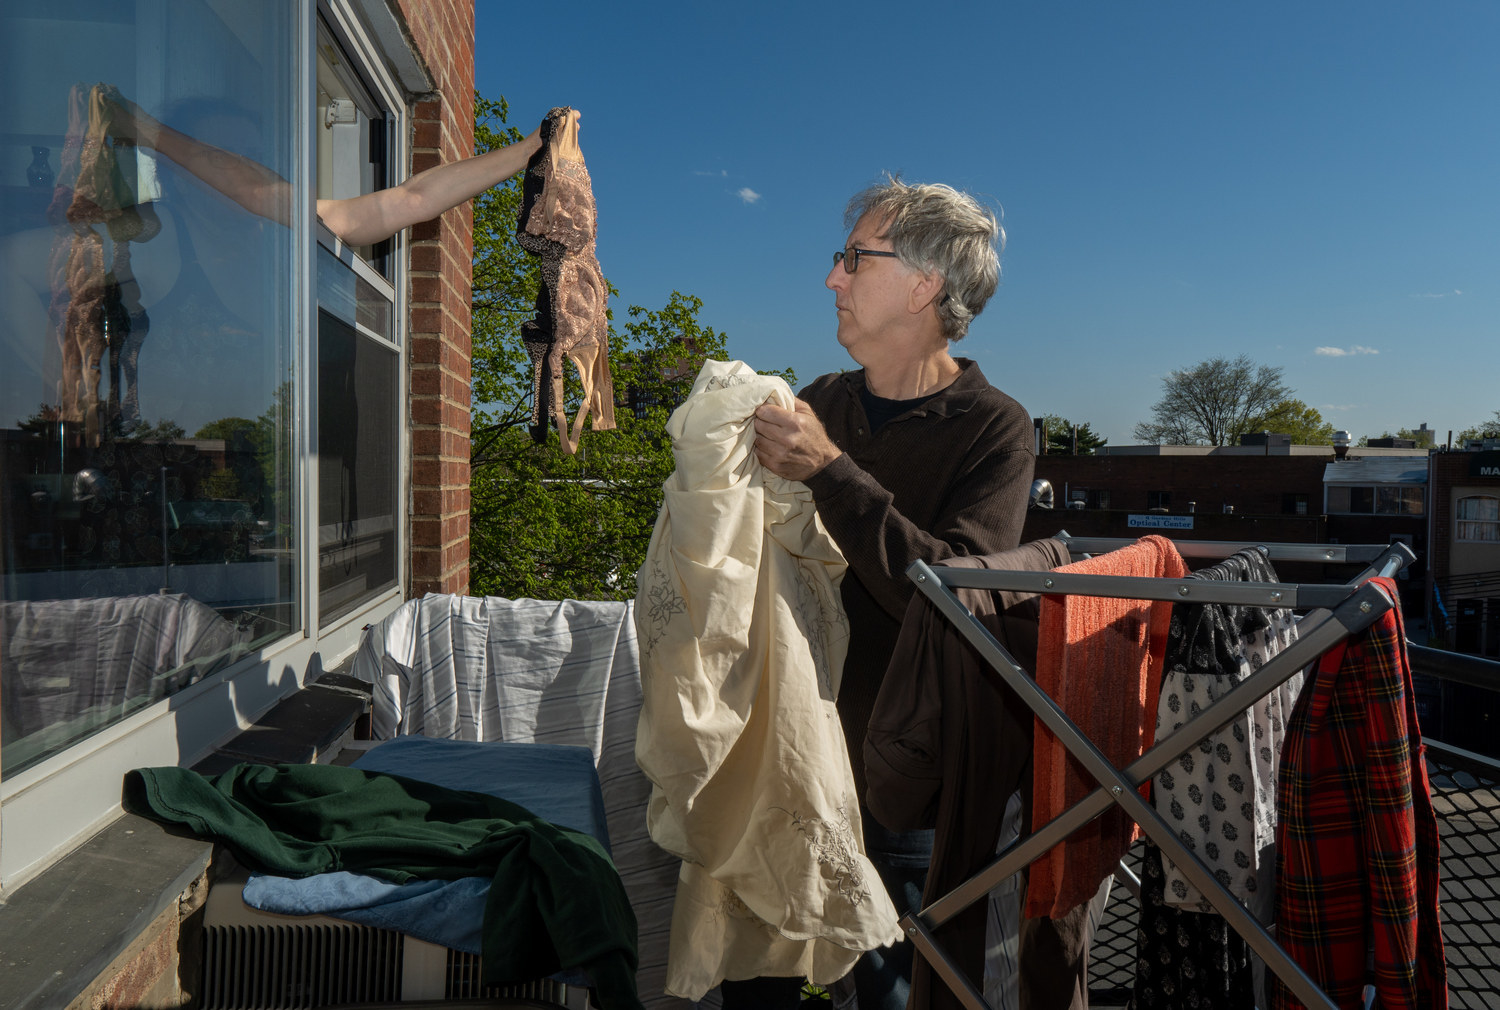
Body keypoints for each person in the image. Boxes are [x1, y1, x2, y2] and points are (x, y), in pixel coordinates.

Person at [744, 177, 1036, 1010]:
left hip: (901, 789)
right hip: (787, 767)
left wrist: (831, 472)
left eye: (851, 259)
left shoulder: (996, 429)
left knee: (889, 994)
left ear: (924, 286)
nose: (831, 278)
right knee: (754, 979)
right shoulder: (821, 400)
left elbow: (949, 600)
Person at [102, 85, 570, 246]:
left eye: (251, 155)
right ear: (185, 173)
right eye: (221, 156)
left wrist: (530, 149)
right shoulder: (148, 242)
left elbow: (412, 199)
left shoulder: (290, 232)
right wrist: (147, 130)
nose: (240, 167)